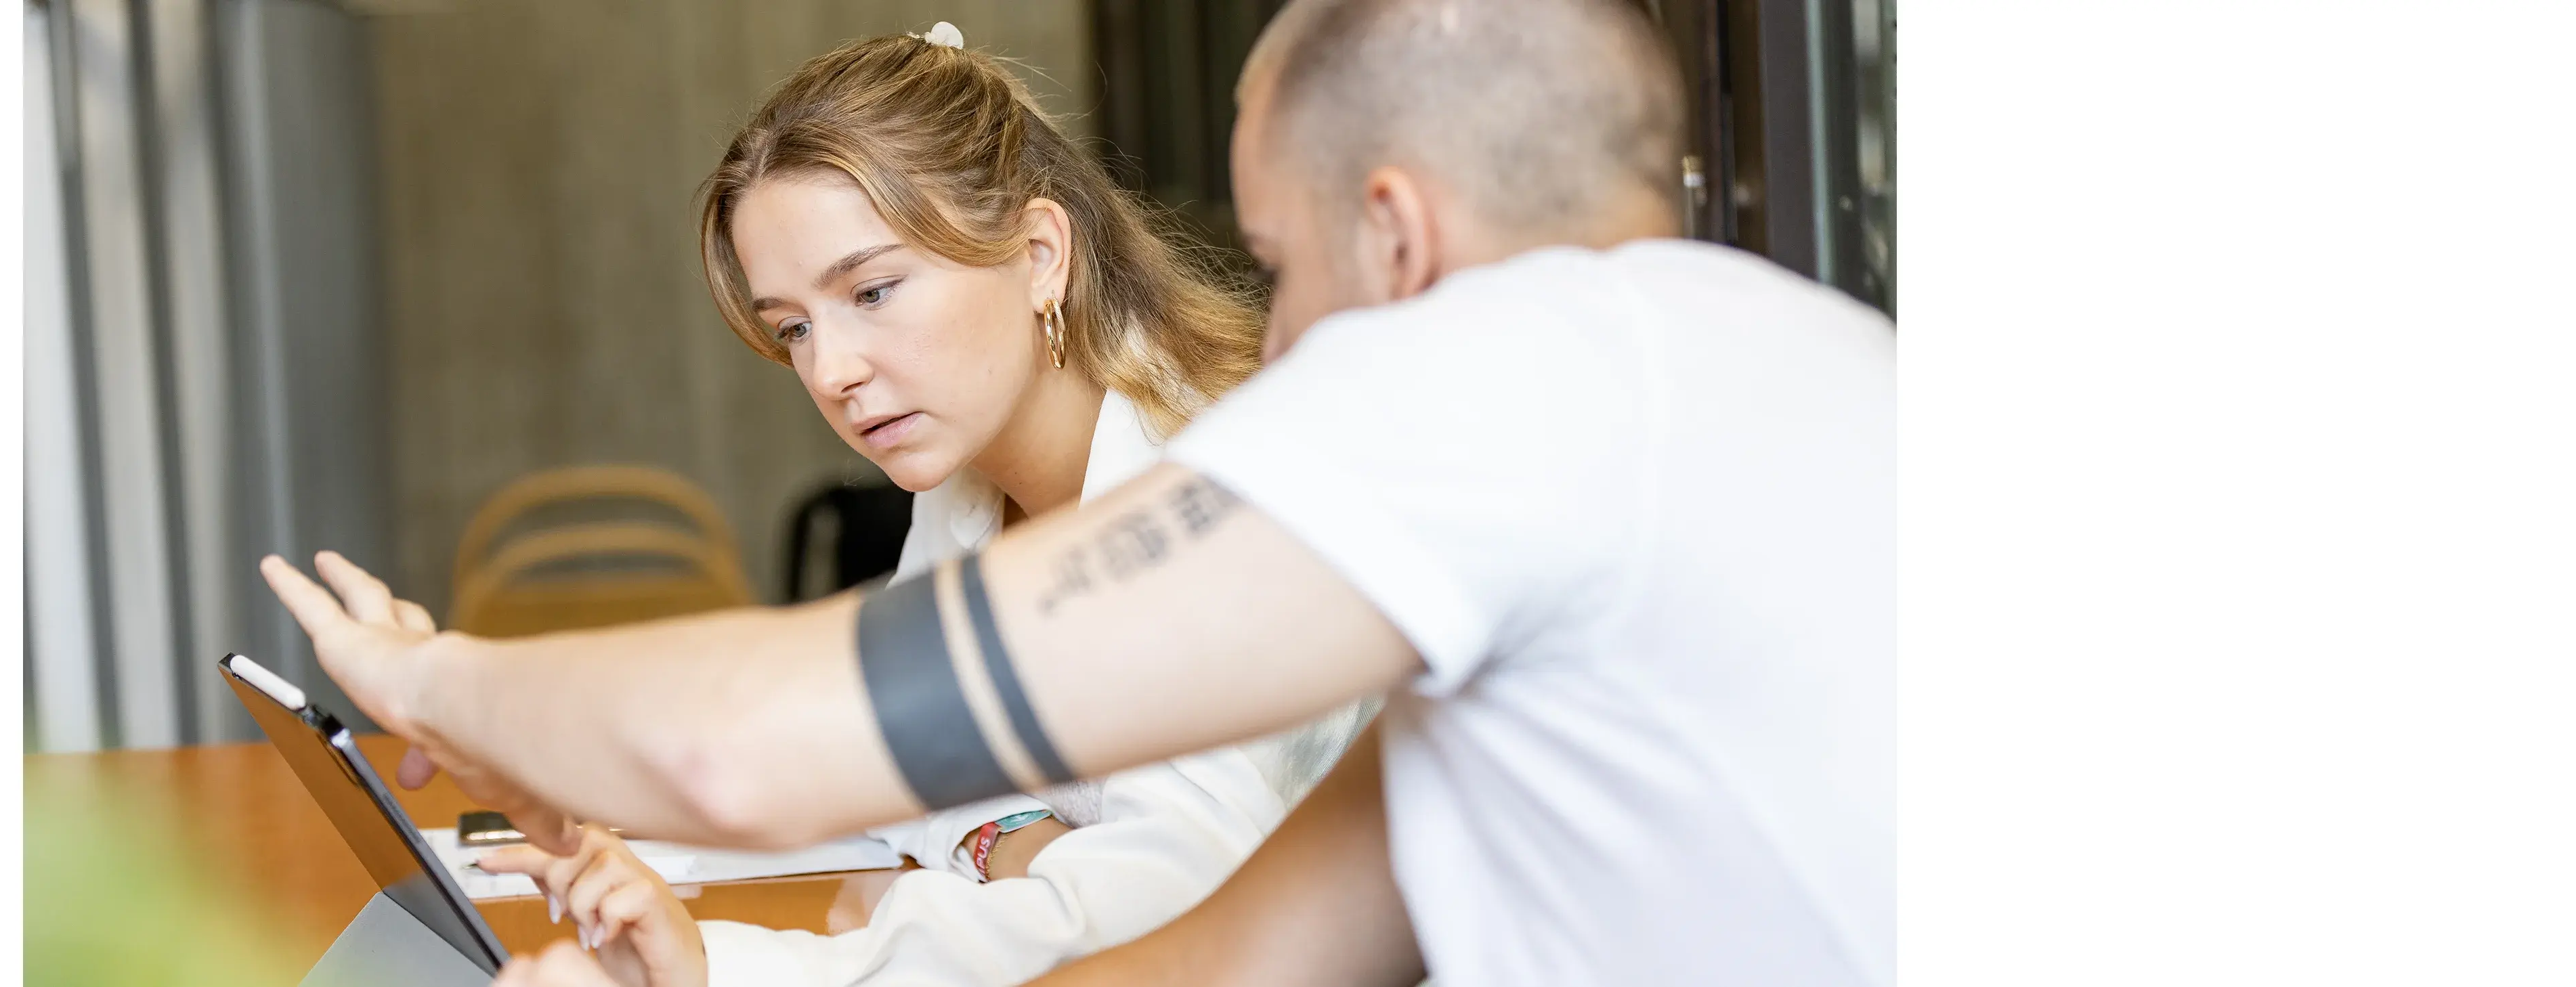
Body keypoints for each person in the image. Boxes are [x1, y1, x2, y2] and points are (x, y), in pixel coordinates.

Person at [261, 1, 1895, 984]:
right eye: (795, 326)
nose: (1274, 345)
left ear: (1398, 233)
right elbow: (1236, 954)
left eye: (1279, 262)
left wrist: (438, 686)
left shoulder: (1498, 400)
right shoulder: (1769, 364)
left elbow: (746, 749)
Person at [446, 22, 1377, 987]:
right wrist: (1019, 839)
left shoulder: (1208, 493)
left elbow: (1166, 914)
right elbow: (911, 770)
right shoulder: (969, 474)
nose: (831, 373)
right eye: (794, 328)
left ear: (1039, 253)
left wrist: (718, 965)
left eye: (873, 291)